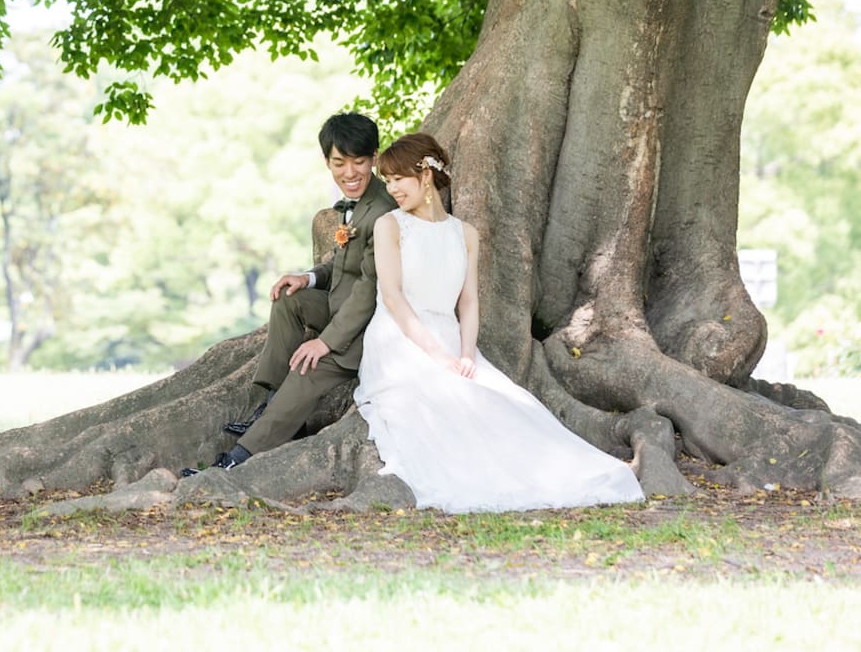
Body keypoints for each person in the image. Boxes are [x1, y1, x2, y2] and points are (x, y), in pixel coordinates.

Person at [353, 132, 644, 513]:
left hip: (453, 340)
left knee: (508, 402)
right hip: (398, 340)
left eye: (397, 178)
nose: (391, 188)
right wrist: (439, 357)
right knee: (445, 401)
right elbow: (392, 297)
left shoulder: (465, 234)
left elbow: (469, 301)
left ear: (425, 175)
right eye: (387, 180)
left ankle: (570, 474)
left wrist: (466, 353)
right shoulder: (389, 225)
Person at [183, 112, 397, 474]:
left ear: (374, 157)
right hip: (337, 306)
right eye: (339, 163)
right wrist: (308, 279)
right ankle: (270, 404)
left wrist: (324, 343)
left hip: (366, 330)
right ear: (326, 161)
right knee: (288, 299)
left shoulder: (382, 209)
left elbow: (368, 289)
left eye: (359, 162)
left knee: (306, 366)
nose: (349, 173)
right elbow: (343, 268)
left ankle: (236, 461)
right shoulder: (354, 205)